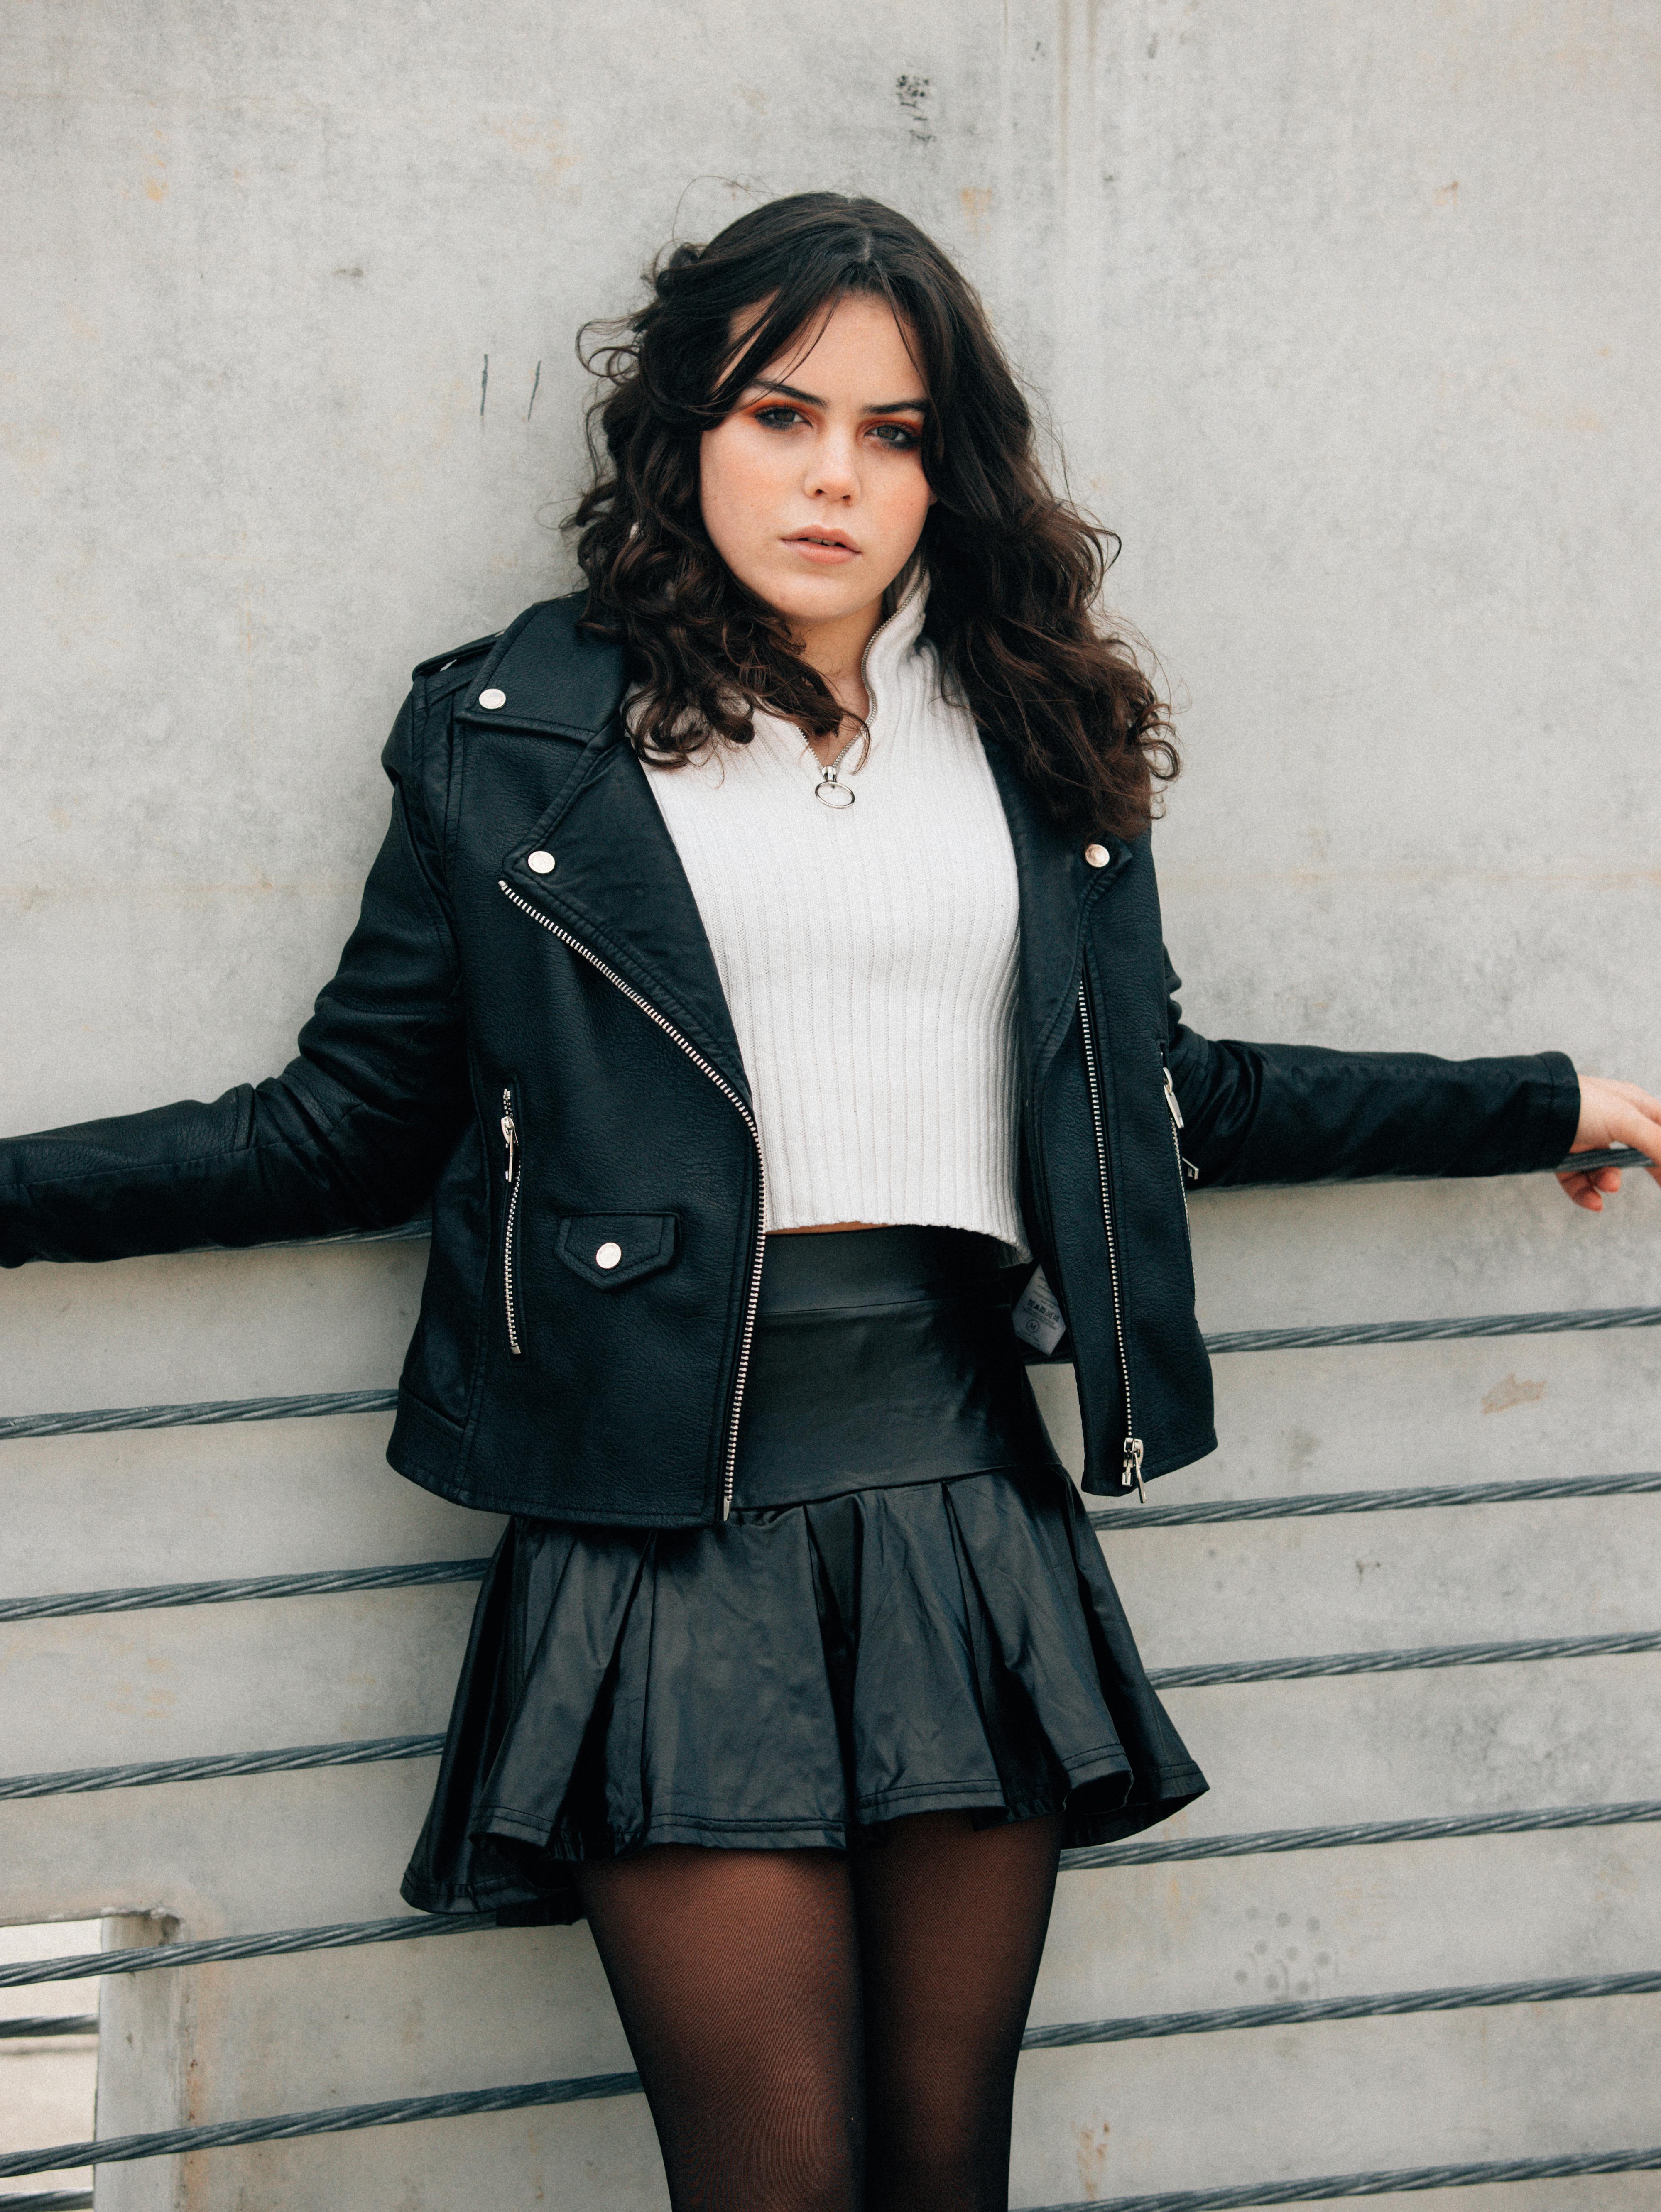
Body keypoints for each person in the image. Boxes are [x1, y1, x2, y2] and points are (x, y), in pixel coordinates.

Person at [3, 191, 1658, 2212]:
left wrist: (1544, 1099)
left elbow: (1158, 1097)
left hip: (965, 1507)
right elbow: (336, 1129)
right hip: (660, 1524)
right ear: (684, 431)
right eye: (781, 414)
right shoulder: (518, 737)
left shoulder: (1034, 739)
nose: (831, 477)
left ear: (946, 471)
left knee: (942, 2177)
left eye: (890, 433)